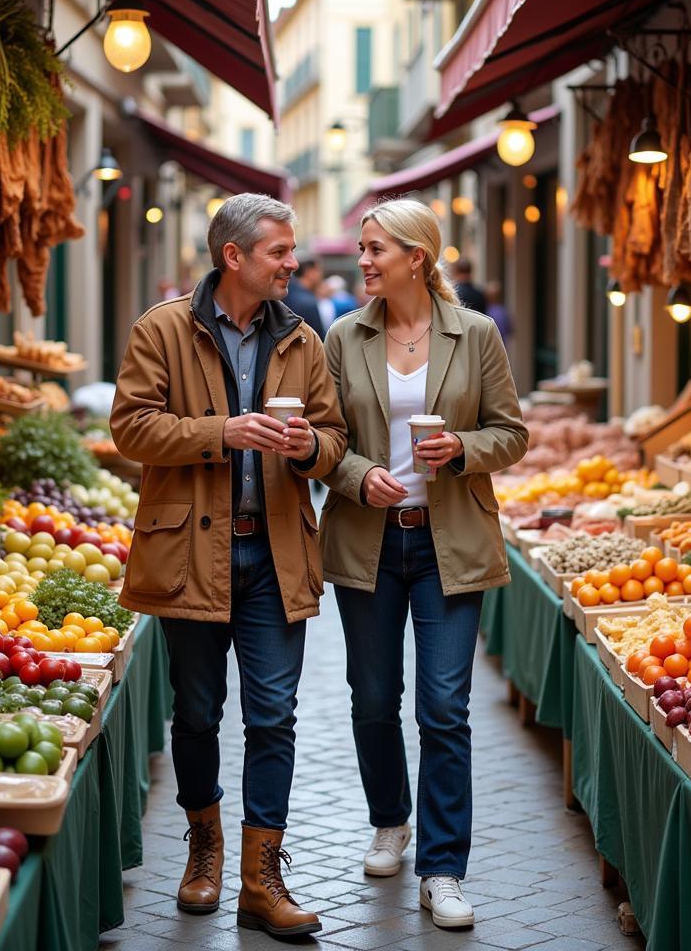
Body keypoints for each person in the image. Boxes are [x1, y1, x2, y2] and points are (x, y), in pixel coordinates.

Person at [110, 193, 347, 939]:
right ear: (234, 256)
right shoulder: (163, 329)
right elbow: (131, 426)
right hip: (189, 552)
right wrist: (224, 431)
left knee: (274, 716)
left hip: (275, 552)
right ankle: (203, 850)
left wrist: (309, 447)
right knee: (198, 713)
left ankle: (261, 878)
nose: (293, 263)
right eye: (280, 251)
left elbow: (335, 438)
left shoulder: (304, 340)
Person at [320, 199, 528, 929]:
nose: (363, 260)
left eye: (376, 249)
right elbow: (322, 439)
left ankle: (444, 869)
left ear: (417, 256)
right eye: (362, 249)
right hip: (367, 541)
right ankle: (389, 819)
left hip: (452, 543)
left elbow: (512, 432)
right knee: (373, 699)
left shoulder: (474, 334)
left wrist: (464, 450)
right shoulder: (343, 336)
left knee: (444, 706)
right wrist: (355, 476)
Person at [283, 257, 326, 337]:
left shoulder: (286, 293)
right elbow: (316, 339)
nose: (321, 275)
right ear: (309, 272)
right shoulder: (308, 303)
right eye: (319, 270)